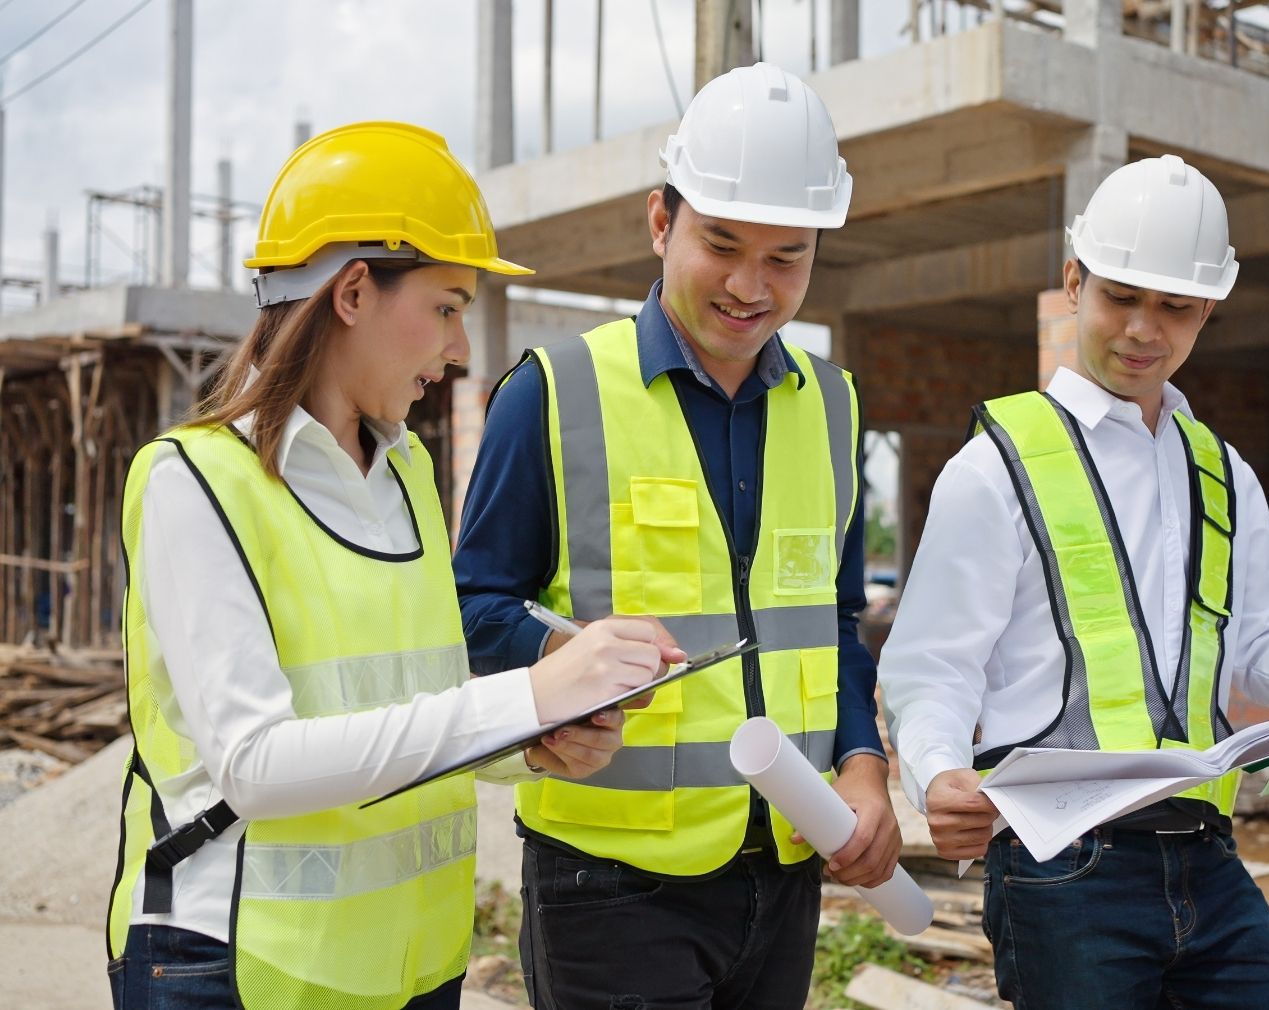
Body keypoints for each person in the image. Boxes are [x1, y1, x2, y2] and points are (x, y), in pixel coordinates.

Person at [105, 121, 681, 1010]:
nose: (458, 351)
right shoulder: (195, 481)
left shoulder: (406, 470)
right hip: (240, 965)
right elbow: (255, 763)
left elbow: (413, 704)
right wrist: (529, 694)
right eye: (448, 307)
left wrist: (534, 744)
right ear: (353, 292)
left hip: (410, 965)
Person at [879, 153, 1269, 1009]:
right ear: (1075, 280)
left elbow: (1261, 644)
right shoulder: (994, 468)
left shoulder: (1223, 472)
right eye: (1121, 296)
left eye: (1175, 307)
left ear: (1209, 311)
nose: (1143, 330)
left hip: (1207, 850)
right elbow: (932, 667)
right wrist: (937, 772)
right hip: (1062, 867)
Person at [454, 63, 902, 1009]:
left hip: (783, 867)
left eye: (787, 256)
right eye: (722, 244)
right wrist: (563, 668)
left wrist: (864, 770)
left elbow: (832, 615)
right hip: (609, 888)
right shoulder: (553, 393)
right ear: (662, 222)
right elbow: (470, 610)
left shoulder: (830, 404)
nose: (750, 286)